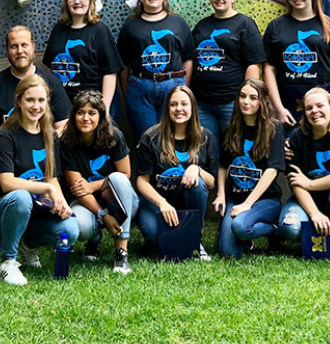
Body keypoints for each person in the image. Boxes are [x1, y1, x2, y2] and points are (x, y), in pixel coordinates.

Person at [0, 75, 80, 286]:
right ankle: (8, 262)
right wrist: (47, 187)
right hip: (1, 215)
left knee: (71, 229)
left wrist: (61, 202)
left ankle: (27, 245)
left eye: (41, 100)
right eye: (30, 100)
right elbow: (7, 183)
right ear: (19, 101)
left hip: (37, 211)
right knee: (21, 197)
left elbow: (52, 178)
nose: (36, 106)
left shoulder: (50, 135)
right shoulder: (6, 135)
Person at [134, 85, 217, 260]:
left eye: (184, 104)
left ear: (192, 108)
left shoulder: (206, 137)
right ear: (167, 109)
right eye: (173, 104)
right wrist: (162, 203)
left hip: (185, 200)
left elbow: (211, 182)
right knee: (154, 235)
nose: (179, 109)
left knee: (198, 183)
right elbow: (141, 181)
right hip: (156, 203)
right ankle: (175, 236)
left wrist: (196, 169)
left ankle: (195, 240)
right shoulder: (151, 138)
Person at [277, 87, 330, 251]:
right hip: (308, 201)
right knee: (289, 229)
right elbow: (296, 182)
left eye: (320, 106)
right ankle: (316, 233)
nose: (314, 111)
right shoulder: (297, 136)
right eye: (309, 108)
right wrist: (314, 214)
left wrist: (310, 184)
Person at [60, 90, 138, 274]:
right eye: (80, 113)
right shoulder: (66, 142)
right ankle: (94, 238)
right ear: (73, 116)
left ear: (100, 116)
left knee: (116, 178)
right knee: (79, 225)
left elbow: (125, 174)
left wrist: (93, 185)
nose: (85, 118)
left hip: (121, 200)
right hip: (87, 203)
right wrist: (103, 214)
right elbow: (78, 188)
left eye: (92, 113)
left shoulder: (115, 136)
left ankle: (121, 251)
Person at [263, 0, 330, 127]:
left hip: (324, 102)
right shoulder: (276, 26)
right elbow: (268, 69)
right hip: (288, 106)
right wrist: (278, 108)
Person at [212, 79, 285, 258]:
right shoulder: (232, 127)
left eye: (253, 98)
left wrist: (247, 204)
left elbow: (272, 170)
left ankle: (274, 231)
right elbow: (223, 165)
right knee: (229, 253)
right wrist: (221, 194)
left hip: (265, 199)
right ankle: (246, 236)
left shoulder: (274, 128)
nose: (246, 102)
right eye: (243, 97)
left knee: (240, 227)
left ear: (262, 102)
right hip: (234, 197)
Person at [116, 0, 193, 139]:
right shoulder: (130, 24)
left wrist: (182, 88)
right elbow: (123, 62)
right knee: (146, 139)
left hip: (172, 85)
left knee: (173, 138)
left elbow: (188, 58)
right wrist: (129, 89)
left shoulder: (177, 22)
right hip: (140, 87)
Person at [0, 26, 73, 157]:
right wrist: (5, 147)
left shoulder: (51, 82)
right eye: (14, 46)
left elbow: (64, 124)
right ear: (7, 50)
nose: (19, 51)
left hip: (42, 151)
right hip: (6, 153)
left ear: (33, 47)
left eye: (24, 45)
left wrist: (47, 145)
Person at [188, 0, 264, 144]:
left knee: (233, 147)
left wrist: (247, 98)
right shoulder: (202, 25)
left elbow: (254, 63)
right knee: (206, 149)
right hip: (202, 103)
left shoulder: (245, 24)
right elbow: (191, 60)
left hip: (231, 102)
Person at [44, 0, 124, 112]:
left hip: (93, 102)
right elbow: (52, 67)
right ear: (66, 2)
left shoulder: (100, 30)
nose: (77, 1)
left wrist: (104, 108)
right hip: (64, 102)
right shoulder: (58, 29)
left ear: (90, 1)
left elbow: (110, 72)